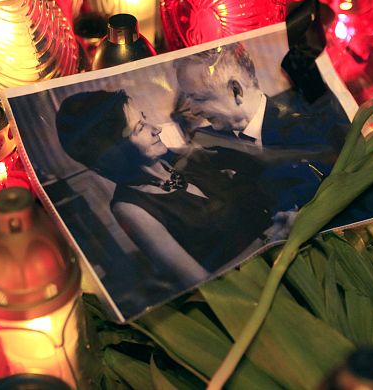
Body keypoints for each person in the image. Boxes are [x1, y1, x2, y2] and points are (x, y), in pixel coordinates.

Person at [55, 89, 273, 288]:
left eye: (145, 120)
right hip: (249, 287)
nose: (156, 129)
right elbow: (200, 282)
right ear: (113, 151)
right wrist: (268, 239)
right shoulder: (129, 208)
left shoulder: (181, 157)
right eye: (140, 128)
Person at [174, 43, 350, 212]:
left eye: (198, 99)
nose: (193, 111)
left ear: (236, 91)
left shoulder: (312, 124)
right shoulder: (208, 146)